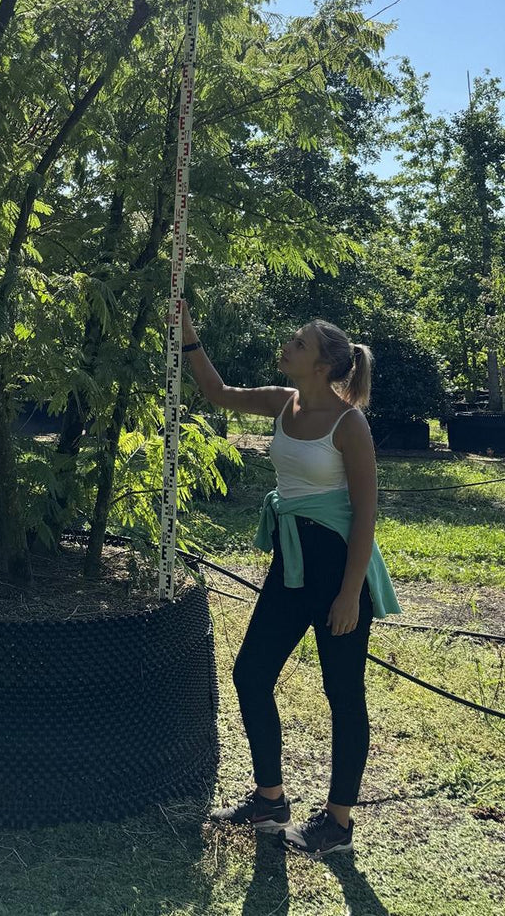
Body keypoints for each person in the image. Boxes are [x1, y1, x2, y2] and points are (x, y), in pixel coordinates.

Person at [176, 299, 400, 857]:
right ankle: (271, 799)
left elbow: (367, 514)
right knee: (251, 672)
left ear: (323, 365)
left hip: (339, 569)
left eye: (298, 343)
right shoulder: (284, 402)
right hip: (292, 562)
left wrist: (351, 593)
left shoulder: (350, 424)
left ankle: (339, 824)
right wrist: (187, 334)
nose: (287, 346)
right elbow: (219, 394)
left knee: (343, 693)